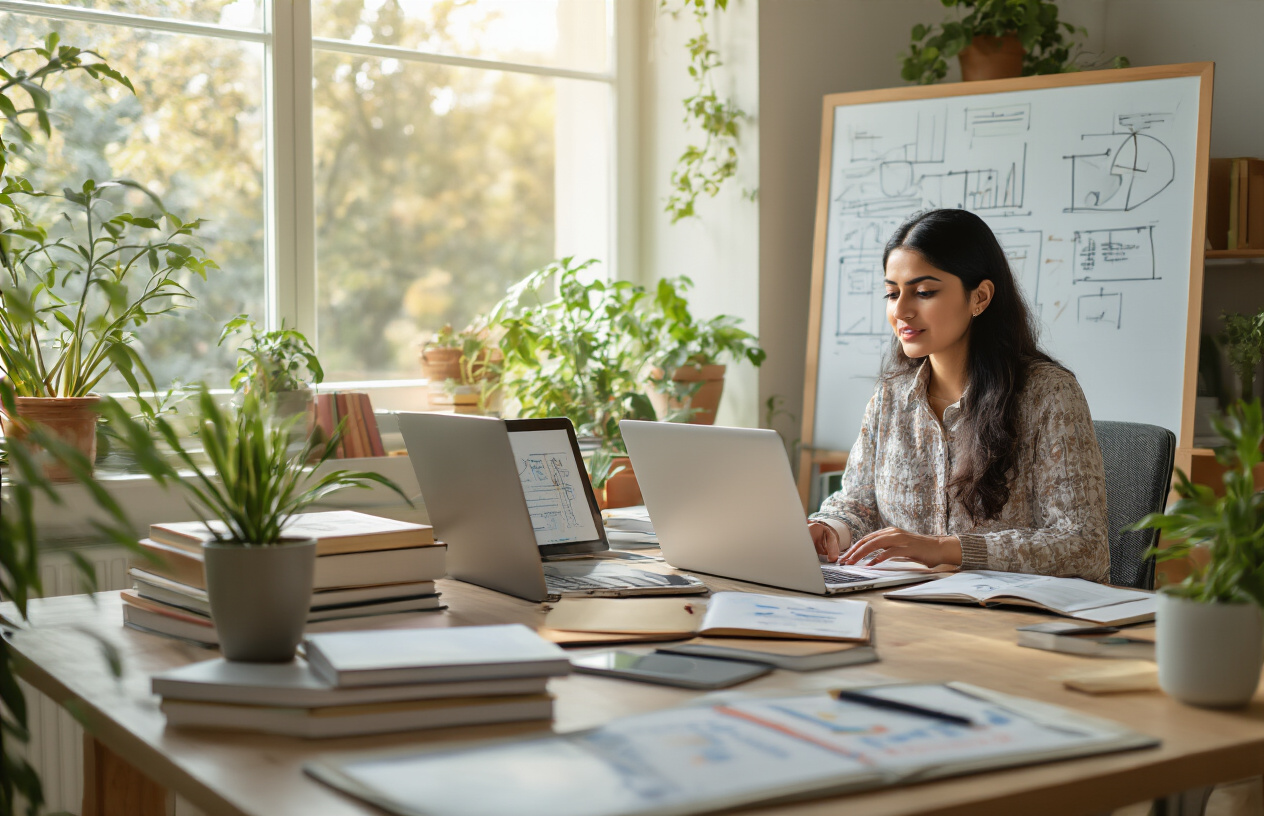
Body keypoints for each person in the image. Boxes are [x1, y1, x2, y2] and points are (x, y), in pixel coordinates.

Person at [808, 208, 1109, 582]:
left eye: (924, 292)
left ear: (979, 297)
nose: (900, 310)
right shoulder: (890, 396)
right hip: (903, 611)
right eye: (891, 293)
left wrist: (945, 550)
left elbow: (1084, 546)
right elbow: (859, 504)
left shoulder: (1048, 394)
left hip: (1004, 620)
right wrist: (829, 528)